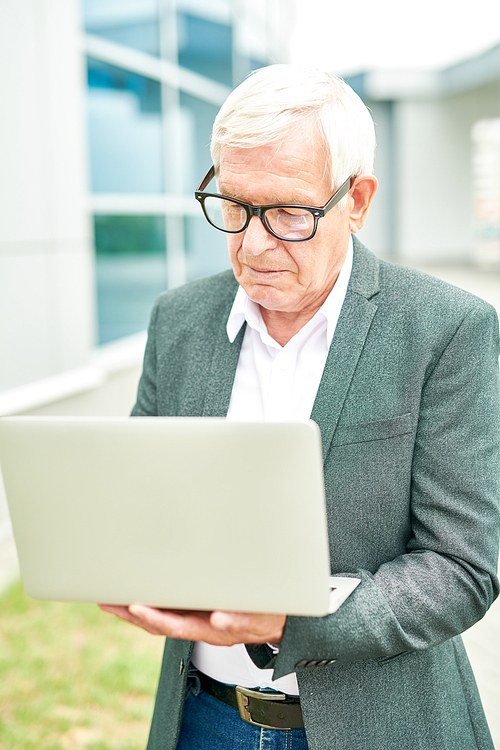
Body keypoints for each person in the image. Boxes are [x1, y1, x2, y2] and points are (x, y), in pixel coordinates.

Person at [99, 65, 500, 750]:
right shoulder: (177, 323)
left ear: (358, 200)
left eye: (287, 212)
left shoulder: (445, 330)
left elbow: (462, 569)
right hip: (202, 720)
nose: (252, 245)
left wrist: (287, 621)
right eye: (234, 205)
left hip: (380, 729)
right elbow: (147, 504)